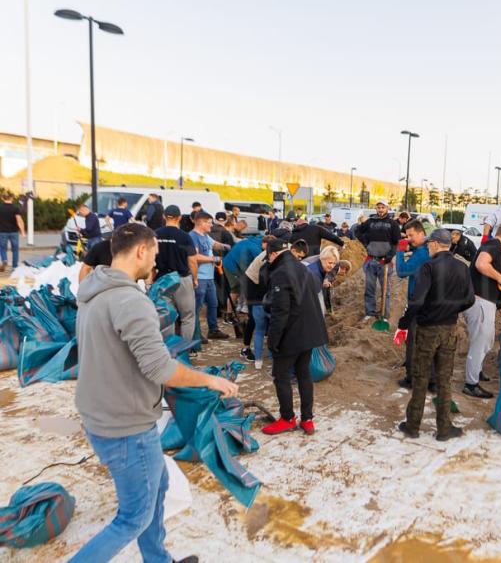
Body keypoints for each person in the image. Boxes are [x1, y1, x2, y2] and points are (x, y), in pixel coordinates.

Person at [72, 223, 236, 563]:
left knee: (157, 487)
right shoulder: (130, 301)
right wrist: (209, 380)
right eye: (155, 254)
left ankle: (158, 559)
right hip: (127, 425)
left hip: (101, 413)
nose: (157, 262)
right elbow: (160, 369)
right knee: (133, 518)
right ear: (141, 252)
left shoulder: (92, 290)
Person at [394, 229, 476, 441]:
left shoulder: (429, 266)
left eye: (430, 243)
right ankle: (444, 428)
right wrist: (450, 309)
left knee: (421, 379)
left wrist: (404, 322)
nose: (428, 246)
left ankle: (412, 426)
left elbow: (417, 300)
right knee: (444, 380)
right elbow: (469, 300)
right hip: (450, 329)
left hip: (428, 329)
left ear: (437, 244)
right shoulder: (462, 267)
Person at [263, 232, 328, 436]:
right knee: (303, 374)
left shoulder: (280, 272)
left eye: (268, 258)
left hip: (291, 334)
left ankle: (287, 418)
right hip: (309, 332)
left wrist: (273, 341)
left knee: (280, 375)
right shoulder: (302, 266)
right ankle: (307, 420)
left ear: (272, 255)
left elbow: (280, 311)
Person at [463, 223, 501, 399]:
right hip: (479, 301)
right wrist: (500, 276)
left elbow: (496, 287)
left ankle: (476, 371)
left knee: (486, 340)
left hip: (486, 302)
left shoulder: (494, 249)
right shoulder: (493, 245)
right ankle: (471, 384)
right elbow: (480, 264)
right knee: (480, 341)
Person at [395, 221, 432, 388]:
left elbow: (402, 271)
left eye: (411, 235)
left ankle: (411, 377)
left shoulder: (421, 254)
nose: (409, 239)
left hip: (418, 302)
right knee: (428, 342)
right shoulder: (428, 250)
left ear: (421, 233)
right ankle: (431, 378)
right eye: (406, 236)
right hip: (431, 302)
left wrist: (400, 251)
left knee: (413, 341)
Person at [155, 206, 198, 343]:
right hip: (182, 278)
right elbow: (192, 261)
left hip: (162, 279)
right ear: (179, 217)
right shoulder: (184, 236)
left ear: (163, 216)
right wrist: (195, 279)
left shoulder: (155, 235)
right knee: (188, 317)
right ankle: (183, 351)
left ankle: (168, 351)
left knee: (167, 316)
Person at [244, 237, 286, 369]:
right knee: (273, 330)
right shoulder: (276, 268)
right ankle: (274, 358)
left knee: (259, 331)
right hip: (268, 304)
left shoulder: (261, 262)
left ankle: (258, 361)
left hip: (257, 301)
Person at [356, 200, 401, 322]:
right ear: (376, 208)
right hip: (371, 260)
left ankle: (384, 315)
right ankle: (370, 312)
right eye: (378, 207)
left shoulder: (392, 224)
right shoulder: (370, 222)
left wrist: (390, 255)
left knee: (385, 290)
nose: (380, 209)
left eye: (383, 207)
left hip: (385, 262)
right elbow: (357, 231)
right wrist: (366, 243)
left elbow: (396, 242)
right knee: (369, 289)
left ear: (387, 208)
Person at [189, 212, 231, 341]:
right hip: (200, 277)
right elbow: (194, 257)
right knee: (197, 307)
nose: (211, 225)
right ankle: (196, 334)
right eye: (209, 222)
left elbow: (214, 244)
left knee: (213, 304)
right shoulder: (192, 237)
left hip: (209, 277)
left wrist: (227, 246)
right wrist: (213, 258)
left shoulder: (205, 236)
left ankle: (213, 330)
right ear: (201, 223)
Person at [0, 192, 25, 271]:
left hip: (2, 231)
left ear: (2, 198)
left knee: (3, 248)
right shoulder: (15, 208)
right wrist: (23, 232)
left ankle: (4, 260)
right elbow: (19, 221)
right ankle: (14, 267)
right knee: (15, 249)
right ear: (12, 198)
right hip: (14, 232)